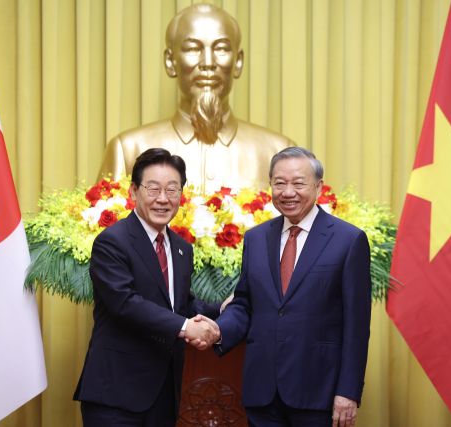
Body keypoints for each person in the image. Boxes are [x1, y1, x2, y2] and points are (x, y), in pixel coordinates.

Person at [213, 147, 372, 427]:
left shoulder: (348, 240)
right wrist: (217, 330)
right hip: (262, 392)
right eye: (279, 183)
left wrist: (348, 392)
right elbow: (245, 303)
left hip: (318, 393)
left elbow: (356, 326)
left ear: (318, 187)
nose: (288, 192)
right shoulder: (256, 238)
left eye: (298, 183)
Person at [74, 148, 221, 426]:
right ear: (134, 192)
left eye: (172, 190)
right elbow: (125, 303)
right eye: (153, 189)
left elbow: (181, 304)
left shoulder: (181, 248)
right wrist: (187, 327)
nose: (163, 199)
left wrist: (221, 309)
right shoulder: (113, 241)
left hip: (164, 392)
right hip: (116, 393)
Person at [98, 3, 293, 193]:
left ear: (238, 61)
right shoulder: (129, 150)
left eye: (221, 49)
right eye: (192, 49)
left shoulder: (278, 152)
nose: (208, 63)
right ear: (170, 61)